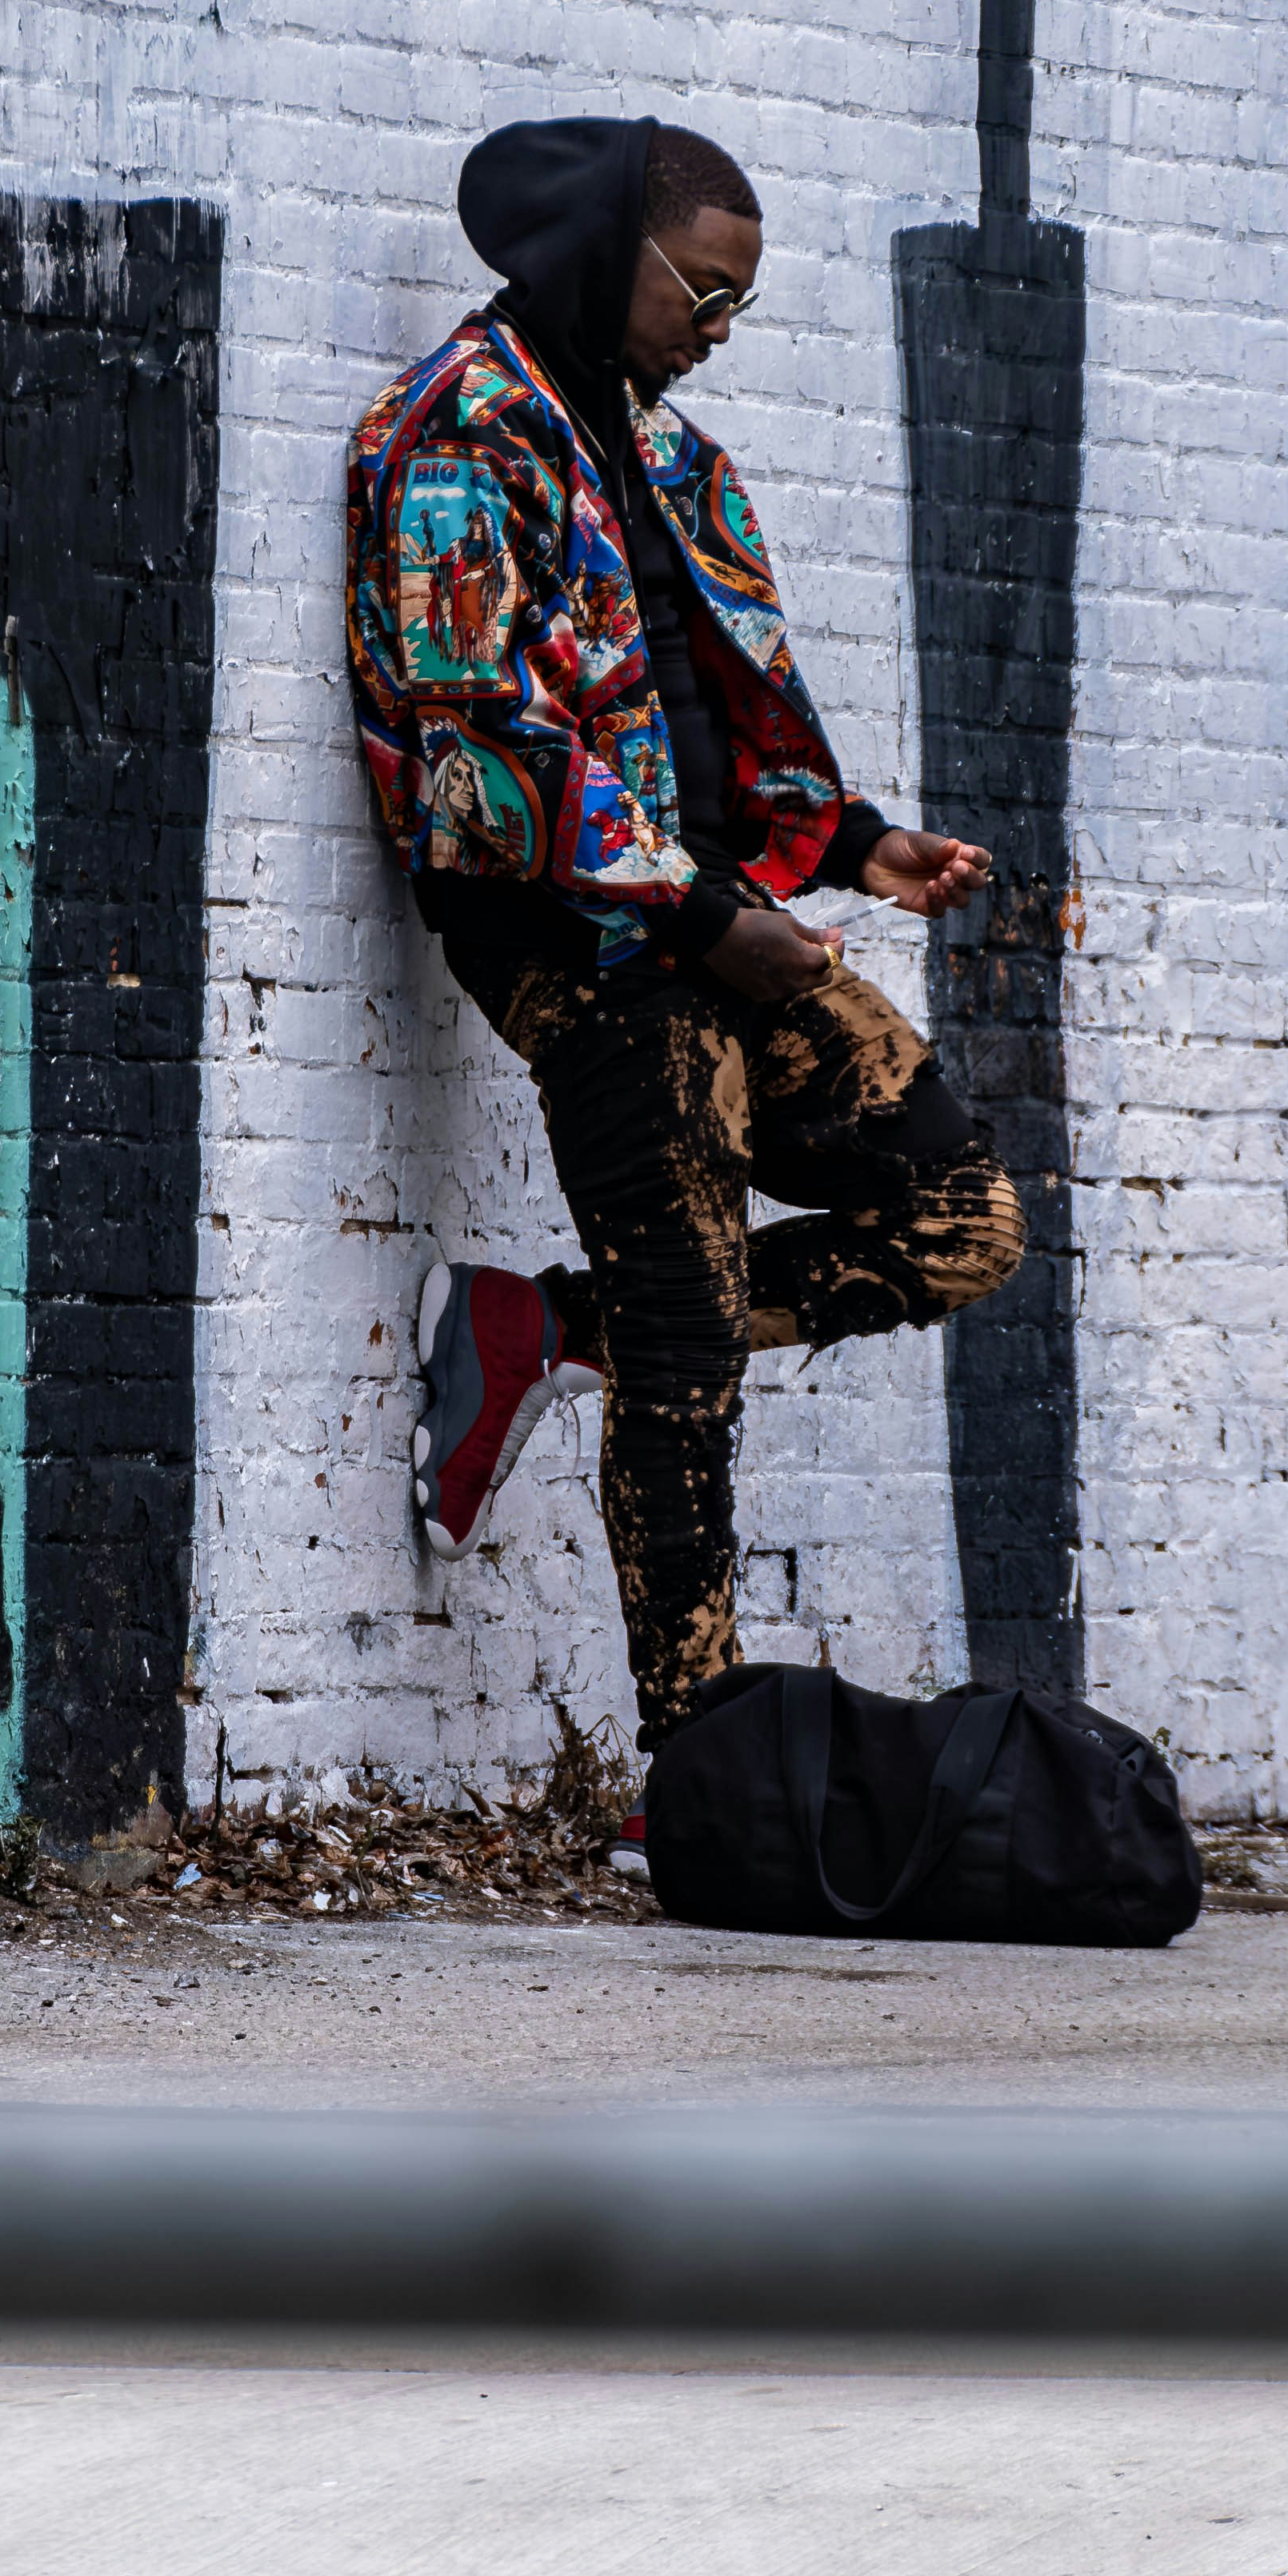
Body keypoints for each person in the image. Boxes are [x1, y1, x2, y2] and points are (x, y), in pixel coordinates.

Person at [346, 113, 1024, 1800]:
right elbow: (476, 738)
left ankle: (533, 1329)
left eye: (739, 307)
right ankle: (695, 1763)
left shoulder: (671, 453)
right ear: (604, 252)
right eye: (699, 295)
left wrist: (854, 842)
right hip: (575, 933)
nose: (716, 330)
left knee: (963, 1222)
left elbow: (722, 716)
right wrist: (713, 917)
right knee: (688, 1335)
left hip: (711, 916)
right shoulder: (455, 436)